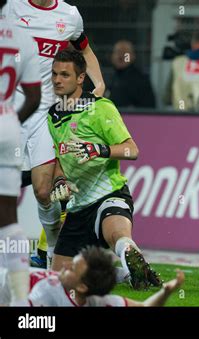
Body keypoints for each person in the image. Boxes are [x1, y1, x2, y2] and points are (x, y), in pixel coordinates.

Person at [46, 49, 161, 290]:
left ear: (80, 78)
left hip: (109, 194)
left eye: (65, 75)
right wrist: (58, 181)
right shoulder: (52, 116)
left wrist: (99, 149)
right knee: (60, 280)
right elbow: (58, 158)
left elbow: (132, 150)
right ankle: (127, 274)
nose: (57, 80)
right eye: (55, 74)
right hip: (77, 208)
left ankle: (130, 257)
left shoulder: (101, 108)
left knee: (118, 236)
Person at [3, 0, 106, 267]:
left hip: (44, 113)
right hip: (8, 108)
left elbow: (86, 51)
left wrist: (99, 82)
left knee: (43, 190)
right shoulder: (10, 7)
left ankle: (50, 251)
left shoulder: (69, 15)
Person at [0, 0, 42, 305]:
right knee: (9, 218)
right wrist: (12, 121)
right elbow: (34, 96)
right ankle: (19, 300)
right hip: (7, 125)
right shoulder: (21, 37)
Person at [0, 246, 184, 307]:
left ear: (82, 287)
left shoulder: (98, 301)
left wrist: (166, 292)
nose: (63, 266)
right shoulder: (46, 291)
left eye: (71, 268)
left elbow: (144, 306)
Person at [108, 40, 156, 109]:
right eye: (118, 52)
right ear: (112, 56)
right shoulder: (108, 79)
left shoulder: (141, 80)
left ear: (133, 56)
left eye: (125, 53)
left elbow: (148, 108)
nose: (121, 56)